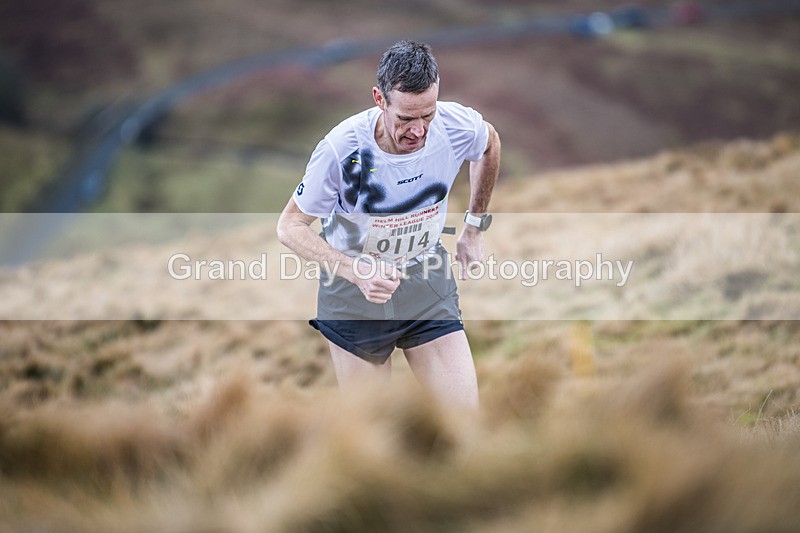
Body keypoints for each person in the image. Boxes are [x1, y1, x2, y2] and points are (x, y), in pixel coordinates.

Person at [277, 40, 500, 410]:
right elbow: (290, 226)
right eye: (406, 119)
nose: (419, 131)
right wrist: (355, 270)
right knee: (377, 436)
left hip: (425, 280)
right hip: (353, 295)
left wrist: (474, 227)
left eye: (427, 116)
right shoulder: (341, 149)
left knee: (463, 421)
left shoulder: (455, 124)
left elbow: (489, 143)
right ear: (379, 99)